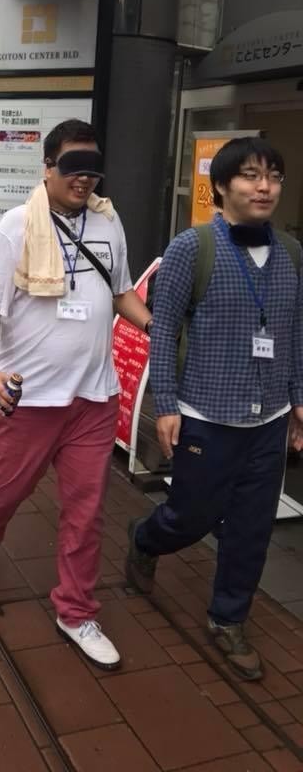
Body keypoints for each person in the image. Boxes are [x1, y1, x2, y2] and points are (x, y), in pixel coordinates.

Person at [0, 119, 151, 671]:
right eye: (72, 166)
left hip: (94, 397)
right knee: (4, 490)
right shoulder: (14, 228)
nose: (83, 178)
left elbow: (120, 292)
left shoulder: (108, 223)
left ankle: (76, 611)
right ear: (47, 168)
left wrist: (153, 324)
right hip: (28, 398)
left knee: (86, 511)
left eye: (92, 167)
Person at [126, 136, 303, 682]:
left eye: (273, 176)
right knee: (192, 515)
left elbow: (295, 331)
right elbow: (164, 329)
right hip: (207, 413)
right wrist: (167, 403)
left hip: (269, 419)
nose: (265, 187)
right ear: (222, 186)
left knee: (251, 526)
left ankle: (228, 619)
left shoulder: (292, 252)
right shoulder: (192, 247)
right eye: (251, 175)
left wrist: (298, 399)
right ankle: (146, 538)